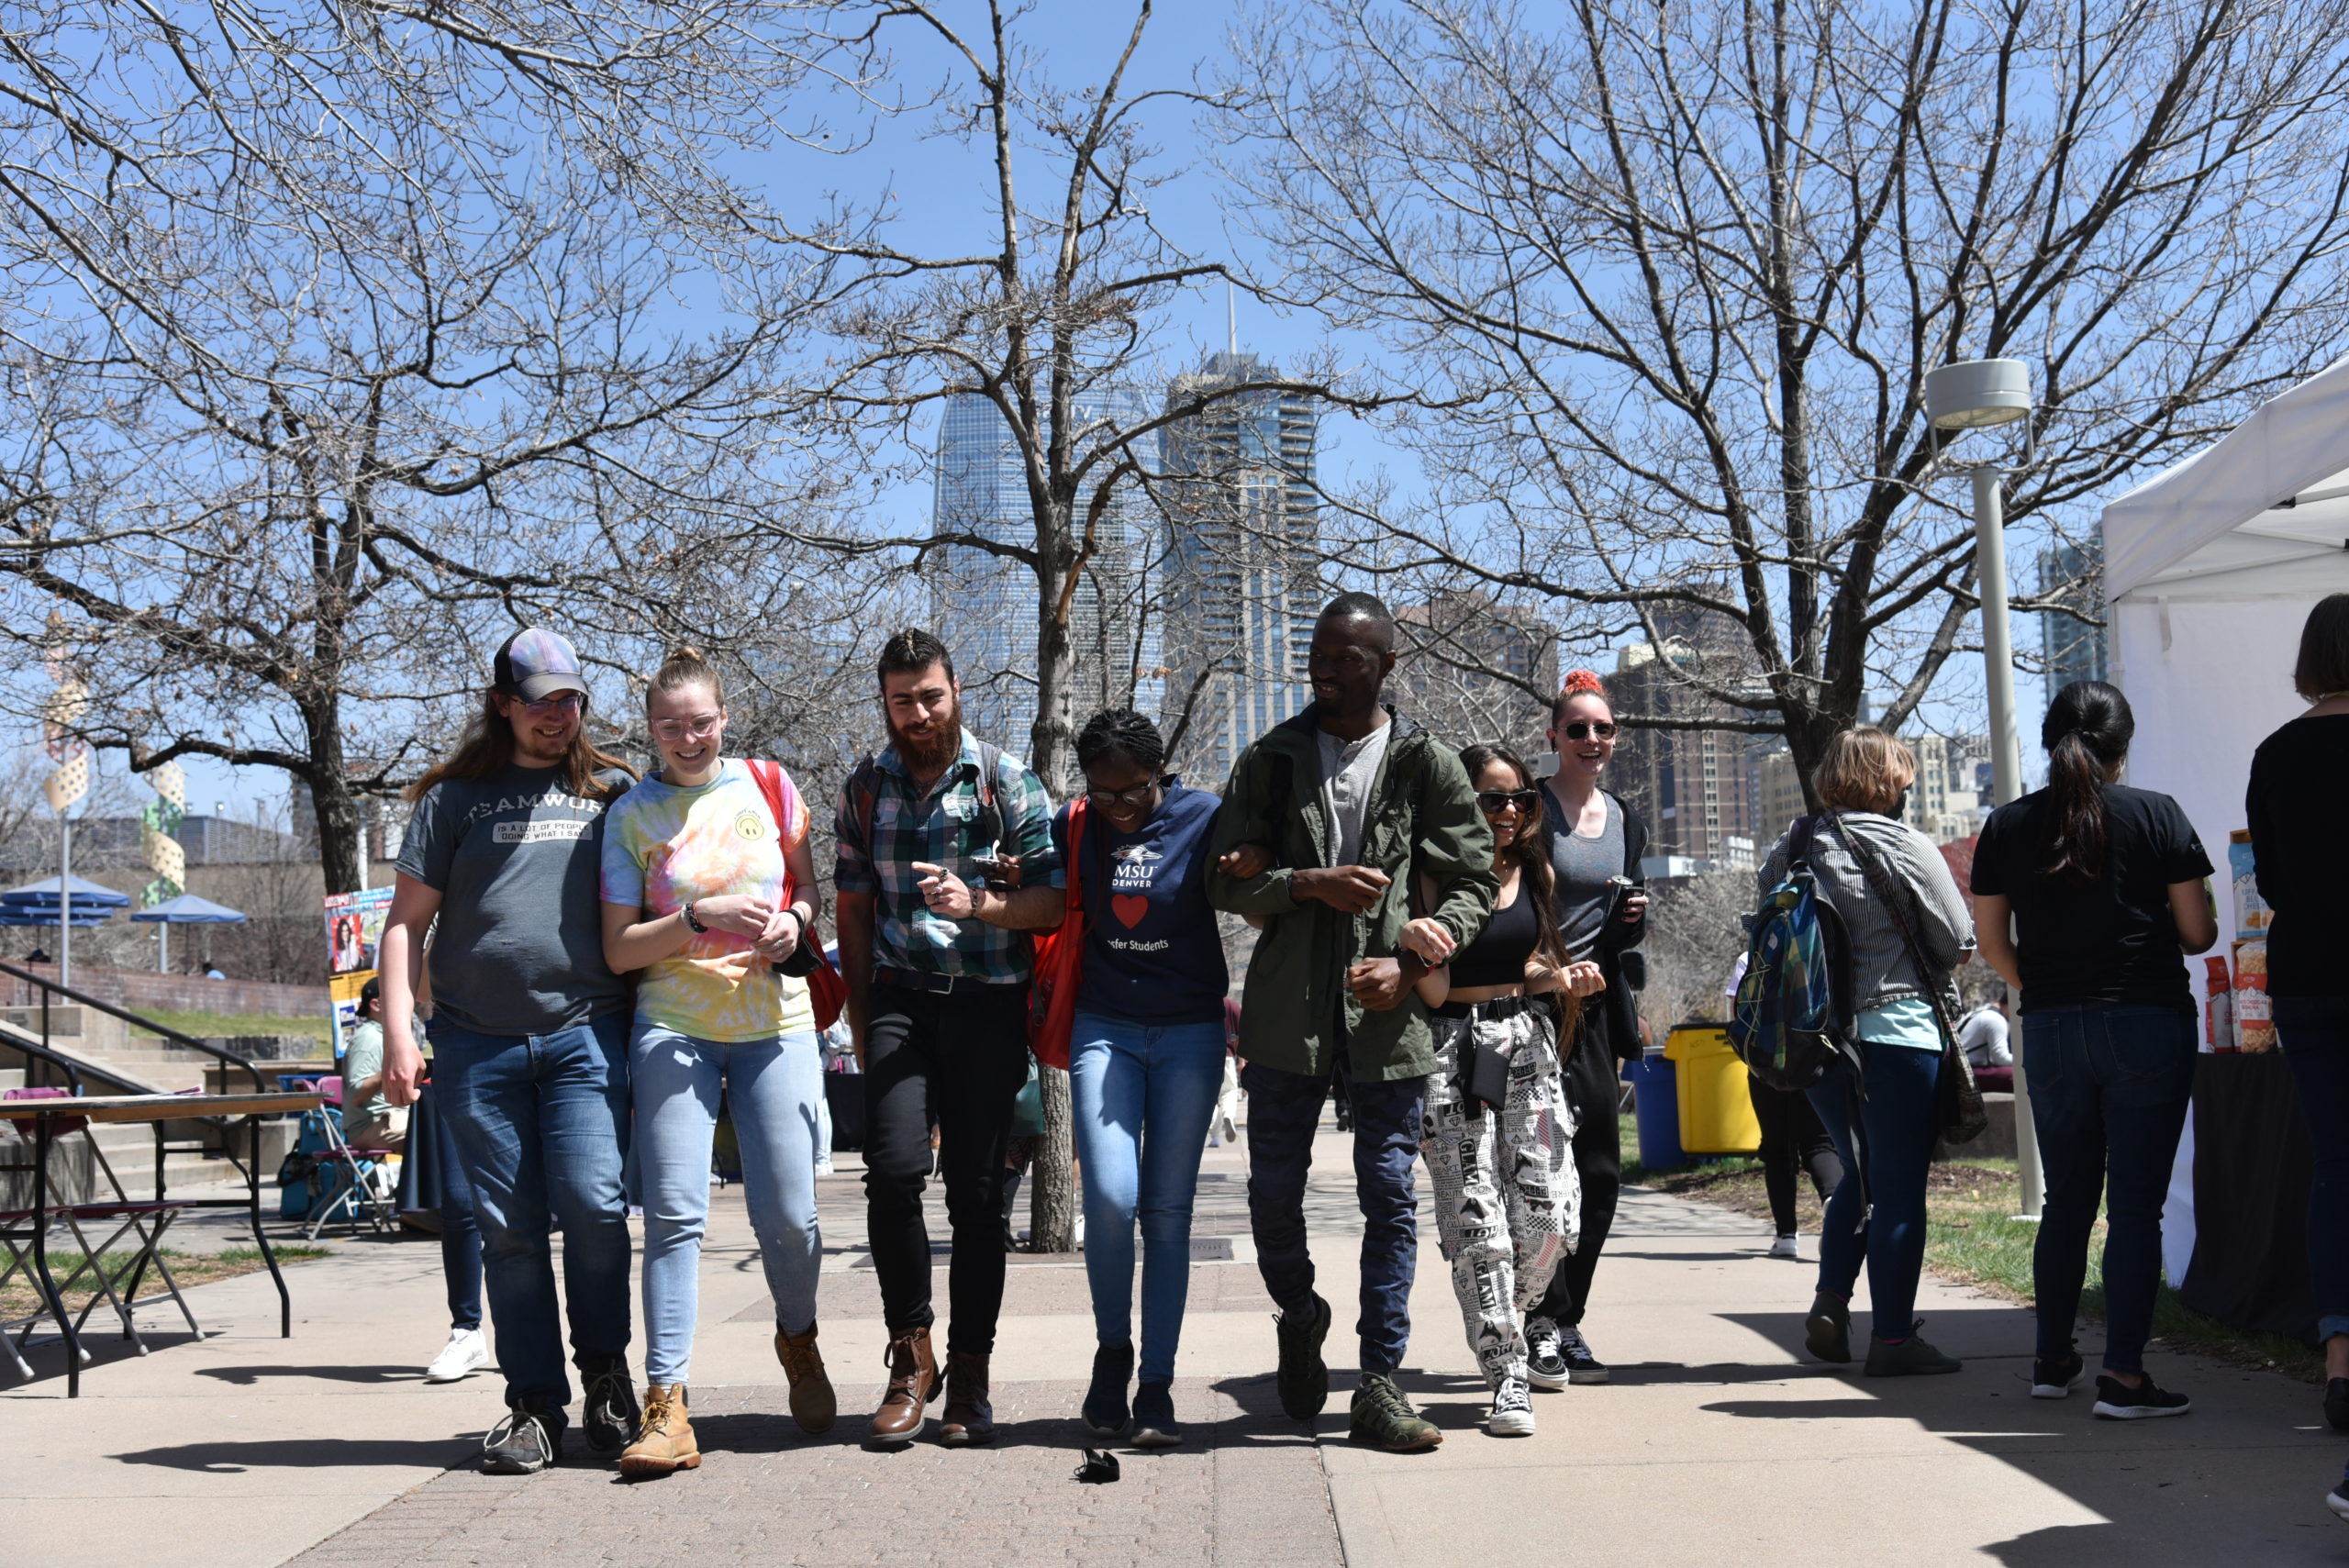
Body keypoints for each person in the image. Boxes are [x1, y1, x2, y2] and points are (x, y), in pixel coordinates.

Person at [1208, 592, 1497, 1451]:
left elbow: (1477, 881)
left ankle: (1379, 1380)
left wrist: (1414, 961)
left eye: (1345, 658)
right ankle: (1299, 1313)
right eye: (1317, 654)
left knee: (1389, 1201)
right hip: (1285, 1021)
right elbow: (1224, 882)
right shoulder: (1271, 757)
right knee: (1270, 1193)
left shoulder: (1426, 763)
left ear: (1387, 665)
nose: (1323, 670)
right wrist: (1304, 883)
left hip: (1388, 1025)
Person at [376, 626, 640, 1474]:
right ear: (503, 705)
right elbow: (403, 926)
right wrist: (397, 1033)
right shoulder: (454, 799)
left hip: (584, 1033)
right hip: (475, 1046)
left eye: (571, 700)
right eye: (541, 702)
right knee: (511, 1230)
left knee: (597, 1206)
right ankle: (532, 1403)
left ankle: (605, 1373)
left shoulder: (613, 791)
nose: (559, 716)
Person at [599, 646, 835, 1475]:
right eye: (671, 727)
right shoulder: (631, 815)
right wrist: (697, 916)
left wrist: (794, 922)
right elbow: (620, 949)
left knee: (791, 1216)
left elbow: (808, 891)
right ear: (652, 730)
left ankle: (798, 1339)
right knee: (672, 1217)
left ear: (724, 717)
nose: (688, 738)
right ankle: (667, 1404)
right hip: (675, 1023)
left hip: (777, 1023)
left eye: (701, 722)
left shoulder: (770, 785)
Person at [834, 628, 1063, 1446]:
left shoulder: (1008, 781)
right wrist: (861, 1021)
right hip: (900, 999)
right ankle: (911, 1353)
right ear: (885, 703)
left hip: (987, 1001)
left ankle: (970, 1371)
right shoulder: (865, 788)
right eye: (903, 701)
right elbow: (854, 913)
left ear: (955, 687)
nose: (919, 713)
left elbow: (1053, 902)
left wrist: (984, 906)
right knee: (893, 1170)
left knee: (975, 1199)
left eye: (931, 695)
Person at [1976, 680, 2214, 1418]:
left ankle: (2051, 1360)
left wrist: (2038, 988)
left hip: (2050, 1027)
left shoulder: (2008, 824)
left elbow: (1991, 941)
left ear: (2051, 742)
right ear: (2122, 746)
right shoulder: (2156, 814)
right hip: (2145, 1018)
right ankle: (2123, 1376)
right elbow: (2199, 933)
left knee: (2066, 1201)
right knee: (2136, 1209)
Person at [1760, 727, 1975, 1377]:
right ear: (1889, 783)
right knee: (1901, 1185)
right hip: (1899, 1035)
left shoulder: (1792, 844)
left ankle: (1831, 1299)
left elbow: (1767, 928)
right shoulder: (1904, 843)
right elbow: (1958, 939)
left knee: (1856, 1173)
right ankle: (1894, 1339)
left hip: (1817, 1041)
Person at [1407, 743, 1602, 1437]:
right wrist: (1419, 951)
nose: (1512, 811)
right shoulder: (1430, 874)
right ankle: (1505, 1374)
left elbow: (1524, 958)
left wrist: (1562, 976)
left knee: (1551, 1220)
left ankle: (1519, 1319)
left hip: (1527, 1042)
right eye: (1494, 799)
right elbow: (1431, 989)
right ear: (1463, 801)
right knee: (1478, 1223)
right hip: (1452, 1050)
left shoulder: (1532, 865)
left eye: (1521, 797)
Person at [1050, 709, 1230, 1450]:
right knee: (1113, 1195)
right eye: (1104, 793)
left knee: (1168, 1210)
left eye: (1134, 792)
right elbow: (1042, 890)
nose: (1119, 808)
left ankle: (1156, 1380)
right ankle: (1111, 1348)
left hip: (1190, 1029)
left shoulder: (1204, 816)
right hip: (1106, 1023)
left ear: (1163, 772)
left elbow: (1255, 881)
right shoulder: (1079, 822)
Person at [2246, 596, 2349, 1511]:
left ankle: (2338, 1359)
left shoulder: (2276, 752)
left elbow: (2269, 879)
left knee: (2334, 1169)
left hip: (2309, 972)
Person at [1521, 668, 1650, 1388]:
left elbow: (1626, 935)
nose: (1592, 739)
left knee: (1601, 1168)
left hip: (1595, 1011)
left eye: (1603, 728)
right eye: (1578, 729)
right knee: (1540, 1171)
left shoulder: (1626, 818)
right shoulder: (1531, 809)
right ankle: (1541, 1320)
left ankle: (1566, 1320)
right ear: (1554, 737)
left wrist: (1634, 919)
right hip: (1534, 1003)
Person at [340, 978, 412, 1151]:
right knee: (433, 1133)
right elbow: (357, 1095)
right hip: (371, 1126)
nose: (408, 1003)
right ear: (376, 1004)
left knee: (444, 1126)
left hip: (395, 1118)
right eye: (398, 997)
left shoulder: (386, 1036)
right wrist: (395, 1069)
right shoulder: (368, 1039)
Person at [1956, 1000, 2015, 1094]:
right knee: (2017, 1074)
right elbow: (2000, 1058)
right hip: (1968, 1072)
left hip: (1958, 1069)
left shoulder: (1979, 1011)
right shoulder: (1996, 1019)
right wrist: (2026, 1061)